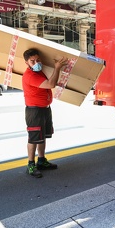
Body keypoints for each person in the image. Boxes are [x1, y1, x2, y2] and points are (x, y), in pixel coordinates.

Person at [22, 48, 68, 178]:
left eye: (38, 60)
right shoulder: (30, 76)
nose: (36, 62)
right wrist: (57, 67)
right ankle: (31, 164)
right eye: (32, 61)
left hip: (45, 109)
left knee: (42, 137)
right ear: (26, 62)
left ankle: (41, 160)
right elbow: (51, 84)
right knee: (34, 138)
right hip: (34, 111)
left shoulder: (39, 72)